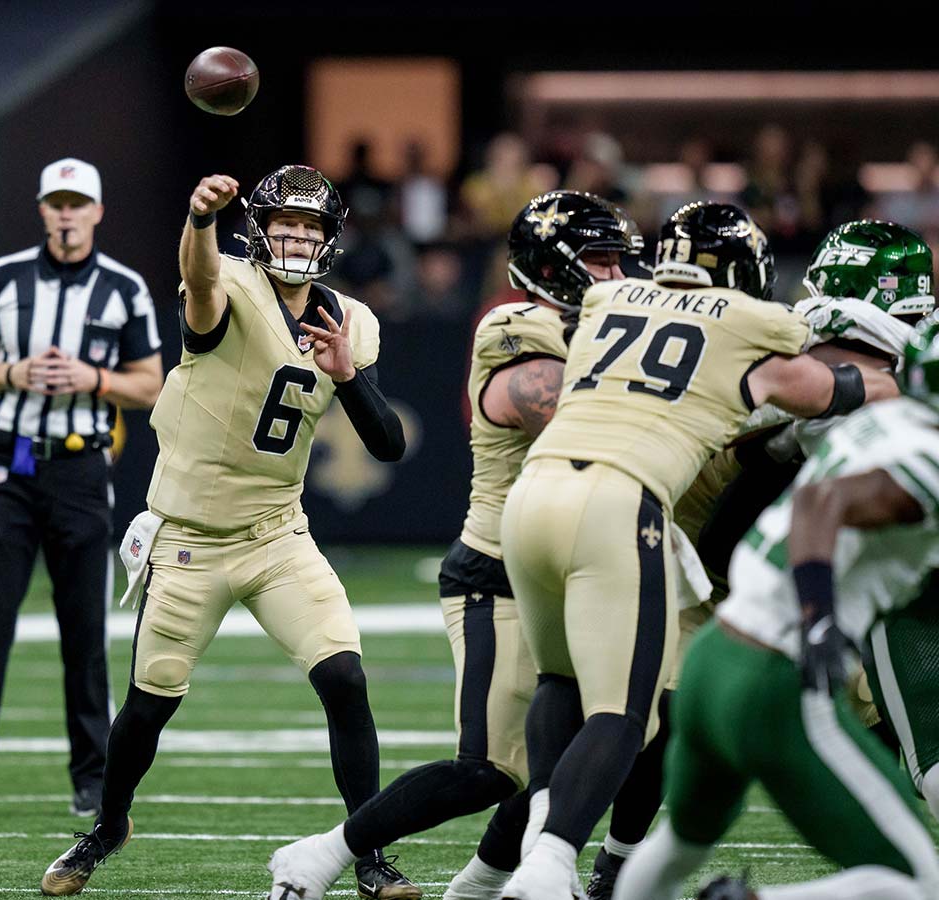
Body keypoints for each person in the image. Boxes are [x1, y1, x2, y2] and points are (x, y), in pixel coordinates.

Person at [499, 201, 899, 900]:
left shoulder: (605, 298)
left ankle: (538, 839)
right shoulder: (751, 320)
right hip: (619, 500)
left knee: (559, 681)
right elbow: (829, 386)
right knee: (625, 714)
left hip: (533, 494)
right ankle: (549, 865)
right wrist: (909, 376)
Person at [39, 165, 410, 898]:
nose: (297, 238)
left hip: (277, 533)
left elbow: (389, 444)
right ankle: (108, 825)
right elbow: (201, 285)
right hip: (190, 539)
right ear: (259, 232)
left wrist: (347, 376)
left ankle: (368, 851)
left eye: (310, 227)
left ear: (330, 238)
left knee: (344, 677)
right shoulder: (229, 282)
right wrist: (200, 220)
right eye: (285, 225)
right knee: (150, 703)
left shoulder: (350, 321)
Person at [262, 192, 634, 900]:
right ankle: (323, 853)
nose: (616, 276)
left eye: (621, 260)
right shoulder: (514, 324)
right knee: (489, 769)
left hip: (582, 565)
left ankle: (491, 885)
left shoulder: (613, 324)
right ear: (549, 267)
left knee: (609, 737)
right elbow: (565, 407)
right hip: (499, 570)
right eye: (600, 260)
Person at [614, 322, 939, 900]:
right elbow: (823, 500)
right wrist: (819, 617)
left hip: (715, 657)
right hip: (776, 676)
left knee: (678, 846)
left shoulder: (878, 422)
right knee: (917, 880)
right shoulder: (927, 457)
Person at [0, 157, 162, 818]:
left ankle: (92, 778)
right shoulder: (4, 277)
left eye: (77, 203)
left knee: (85, 630)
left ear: (97, 212)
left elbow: (151, 384)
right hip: (8, 467)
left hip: (80, 469)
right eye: (57, 203)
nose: (66, 215)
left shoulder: (123, 288)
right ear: (42, 210)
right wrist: (16, 372)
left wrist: (93, 380)